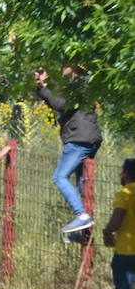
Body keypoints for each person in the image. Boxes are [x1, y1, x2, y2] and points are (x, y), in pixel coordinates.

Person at [36, 67, 103, 233]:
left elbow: (59, 104)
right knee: (82, 180)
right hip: (91, 138)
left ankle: (82, 216)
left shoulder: (75, 87)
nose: (59, 69)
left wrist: (43, 87)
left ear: (73, 68)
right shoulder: (86, 85)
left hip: (79, 139)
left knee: (59, 177)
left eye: (63, 66)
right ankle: (84, 230)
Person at [101, 158, 135, 289]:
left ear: (128, 173)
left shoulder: (125, 193)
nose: (120, 174)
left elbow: (116, 222)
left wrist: (106, 232)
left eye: (122, 171)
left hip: (126, 253)